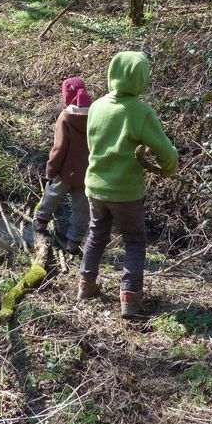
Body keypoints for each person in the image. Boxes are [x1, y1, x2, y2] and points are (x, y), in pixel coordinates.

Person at [78, 51, 178, 318]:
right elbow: (165, 152)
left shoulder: (97, 106)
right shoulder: (141, 112)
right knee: (134, 240)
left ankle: (86, 285)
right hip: (126, 192)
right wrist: (170, 169)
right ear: (140, 79)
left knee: (97, 233)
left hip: (95, 186)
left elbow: (92, 145)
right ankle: (130, 298)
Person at [34, 77, 92, 254]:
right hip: (87, 173)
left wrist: (50, 170)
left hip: (66, 171)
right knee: (81, 209)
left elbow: (59, 148)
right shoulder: (96, 115)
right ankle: (73, 242)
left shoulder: (65, 117)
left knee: (52, 194)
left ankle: (41, 223)